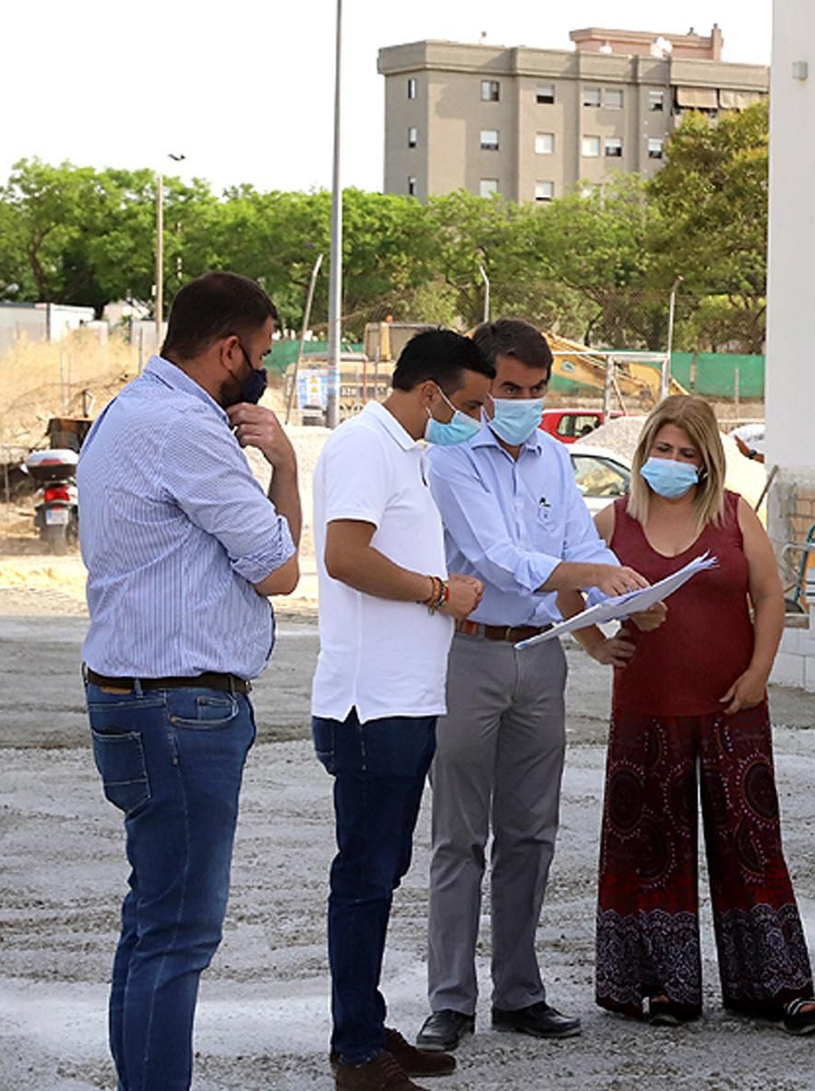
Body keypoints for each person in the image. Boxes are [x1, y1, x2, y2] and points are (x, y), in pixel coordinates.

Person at [79, 270, 301, 1091]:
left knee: (151, 924)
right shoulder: (188, 426)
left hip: (136, 696)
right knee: (178, 934)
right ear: (229, 349)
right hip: (180, 710)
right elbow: (279, 567)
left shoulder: (128, 409)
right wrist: (283, 460)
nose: (264, 369)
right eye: (265, 353)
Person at [416, 318, 657, 1051]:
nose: (524, 401)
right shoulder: (451, 458)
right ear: (483, 387)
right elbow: (499, 559)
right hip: (469, 654)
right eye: (509, 389)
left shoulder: (554, 456)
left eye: (536, 389)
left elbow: (580, 548)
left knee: (532, 834)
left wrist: (623, 605)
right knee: (460, 837)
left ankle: (519, 992)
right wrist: (596, 575)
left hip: (541, 657)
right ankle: (451, 999)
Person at [591, 395, 815, 1034]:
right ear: (644, 455)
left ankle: (776, 984)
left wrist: (758, 672)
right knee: (652, 847)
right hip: (645, 708)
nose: (672, 461)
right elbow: (564, 584)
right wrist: (594, 642)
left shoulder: (733, 515)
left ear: (708, 461)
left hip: (732, 706)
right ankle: (662, 986)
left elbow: (770, 595)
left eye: (687, 453)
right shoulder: (615, 521)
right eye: (663, 450)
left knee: (751, 843)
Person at [310, 328, 493, 1091]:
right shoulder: (365, 445)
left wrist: (443, 597)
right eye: (473, 403)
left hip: (405, 701)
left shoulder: (409, 453)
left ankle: (365, 1022)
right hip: (370, 707)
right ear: (431, 392)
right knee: (364, 876)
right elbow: (344, 555)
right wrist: (436, 591)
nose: (478, 419)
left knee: (382, 870)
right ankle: (356, 1052)